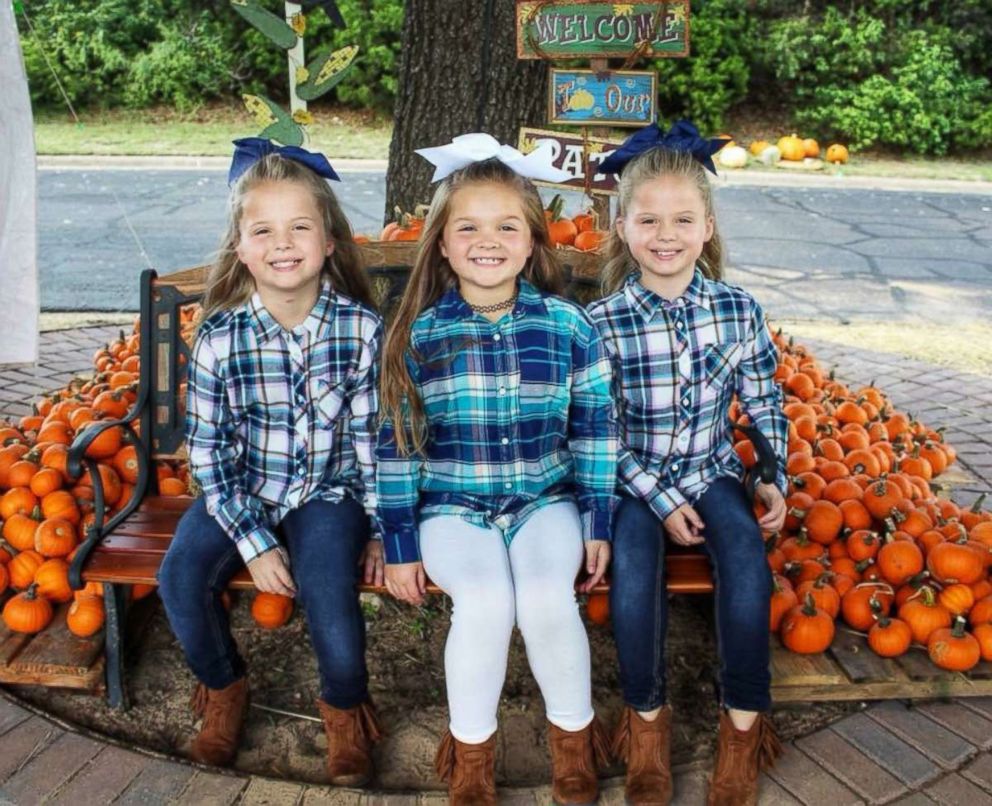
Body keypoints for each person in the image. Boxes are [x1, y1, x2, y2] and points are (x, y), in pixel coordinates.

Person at [376, 134, 617, 805]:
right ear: (444, 245)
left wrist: (598, 520)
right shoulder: (417, 335)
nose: (489, 240)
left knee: (545, 595)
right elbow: (395, 448)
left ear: (534, 242)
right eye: (469, 227)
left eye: (507, 225)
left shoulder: (569, 326)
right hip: (452, 508)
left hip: (545, 500)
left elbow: (595, 429)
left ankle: (574, 743)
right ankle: (472, 757)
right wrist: (398, 545)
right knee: (484, 601)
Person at [157, 138, 385, 785]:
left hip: (327, 493)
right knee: (180, 577)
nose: (283, 243)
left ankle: (345, 712)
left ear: (329, 242)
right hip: (242, 490)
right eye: (264, 230)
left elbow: (372, 440)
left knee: (328, 590)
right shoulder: (220, 336)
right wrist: (255, 544)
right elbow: (209, 454)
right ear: (241, 246)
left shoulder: (359, 329)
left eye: (299, 228)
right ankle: (224, 690)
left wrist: (375, 526)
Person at [587, 121, 788, 806]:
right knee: (634, 577)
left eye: (682, 219)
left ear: (707, 227)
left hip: (710, 470)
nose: (664, 234)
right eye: (648, 219)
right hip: (633, 480)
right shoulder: (603, 322)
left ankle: (742, 729)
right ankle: (645, 727)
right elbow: (598, 430)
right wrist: (657, 497)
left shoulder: (737, 311)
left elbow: (763, 404)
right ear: (622, 226)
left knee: (746, 568)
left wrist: (770, 475)